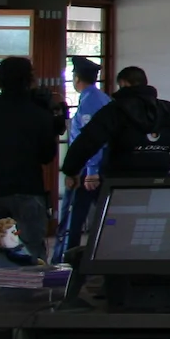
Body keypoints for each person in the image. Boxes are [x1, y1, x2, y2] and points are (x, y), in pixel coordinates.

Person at [62, 66, 170, 183]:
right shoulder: (167, 109)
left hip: (121, 181)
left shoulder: (114, 110)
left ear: (123, 84)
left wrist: (71, 170)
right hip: (160, 179)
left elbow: (89, 141)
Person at [0, 56, 59, 264]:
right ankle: (31, 292)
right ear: (29, 79)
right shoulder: (39, 113)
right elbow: (47, 156)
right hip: (28, 187)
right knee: (32, 248)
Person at [53, 56, 110, 263]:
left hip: (88, 169)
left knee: (73, 217)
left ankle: (66, 262)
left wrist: (89, 169)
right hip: (96, 166)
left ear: (76, 78)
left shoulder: (90, 101)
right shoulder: (102, 98)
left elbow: (91, 139)